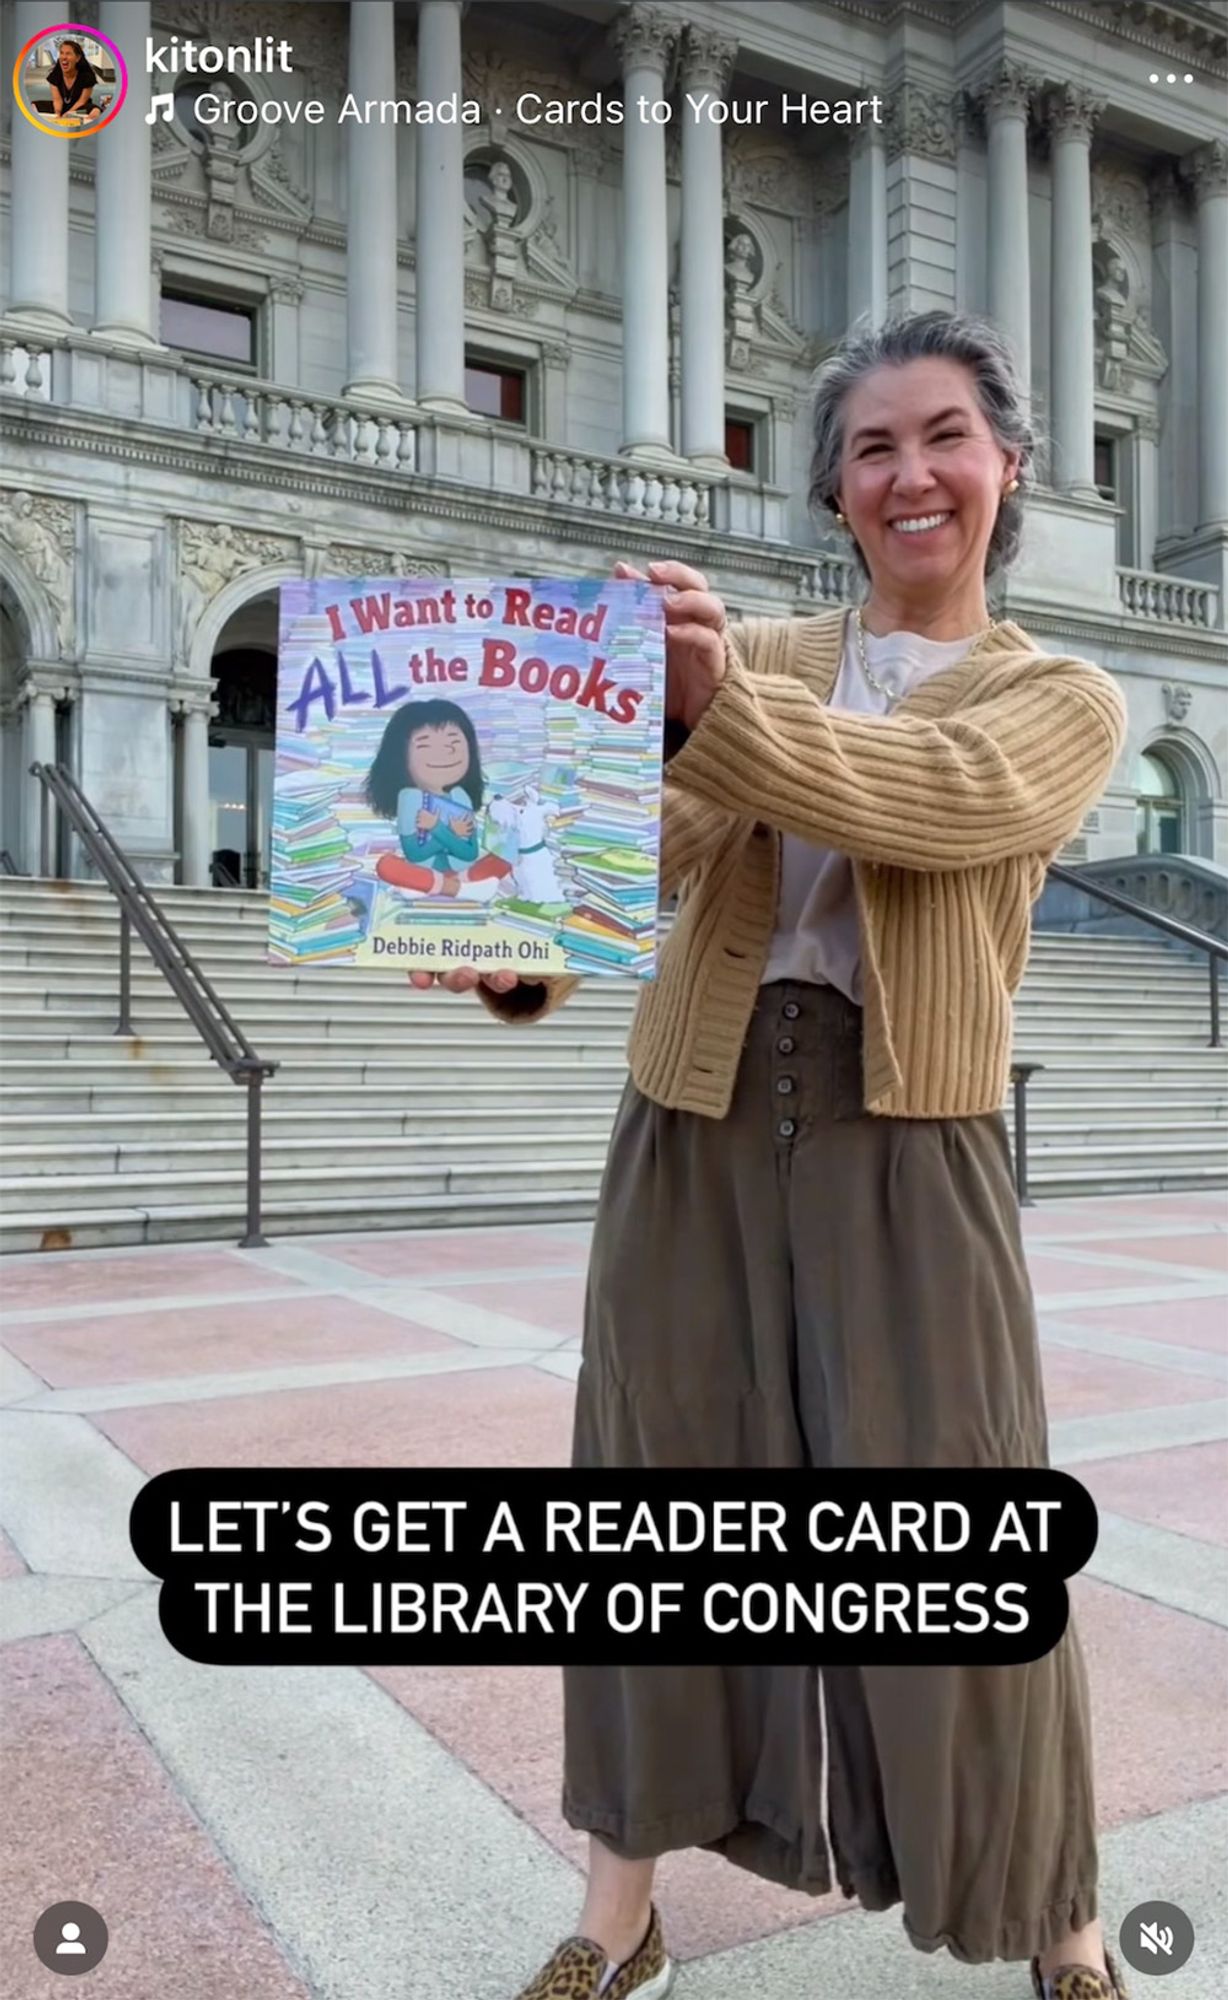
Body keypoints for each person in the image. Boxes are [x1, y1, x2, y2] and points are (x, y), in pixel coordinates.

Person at [408, 311, 1129, 2000]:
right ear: (832, 487)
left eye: (940, 436)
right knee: (655, 1501)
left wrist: (710, 705)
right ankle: (618, 1907)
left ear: (1004, 467)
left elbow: (928, 798)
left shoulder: (1058, 696)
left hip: (913, 1124)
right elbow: (633, 850)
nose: (908, 474)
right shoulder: (764, 657)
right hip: (697, 1111)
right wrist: (509, 936)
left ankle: (1060, 1914)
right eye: (870, 448)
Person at [364, 698, 510, 897]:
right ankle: (459, 889)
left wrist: (437, 828)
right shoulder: (409, 799)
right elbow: (415, 853)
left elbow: (468, 853)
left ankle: (437, 886)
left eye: (453, 745)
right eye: (425, 747)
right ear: (400, 756)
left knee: (505, 857)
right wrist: (449, 833)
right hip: (422, 870)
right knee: (387, 865)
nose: (443, 756)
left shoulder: (460, 797)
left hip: (461, 871)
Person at [44, 39, 99, 120]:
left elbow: (82, 101)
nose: (64, 57)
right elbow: (57, 100)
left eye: (68, 54)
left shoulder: (87, 76)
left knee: (95, 111)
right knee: (34, 105)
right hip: (61, 106)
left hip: (80, 108)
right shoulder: (54, 75)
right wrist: (58, 114)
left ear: (77, 58)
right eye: (61, 53)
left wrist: (68, 114)